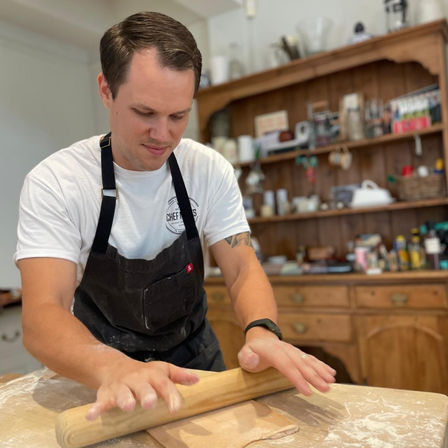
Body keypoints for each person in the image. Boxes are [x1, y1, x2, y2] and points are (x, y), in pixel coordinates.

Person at [15, 11, 336, 421]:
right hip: (101, 374)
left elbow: (241, 267)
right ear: (106, 90)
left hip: (195, 364)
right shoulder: (57, 182)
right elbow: (44, 312)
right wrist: (111, 366)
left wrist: (262, 331)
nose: (163, 135)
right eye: (145, 113)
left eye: (178, 116)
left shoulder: (208, 169)